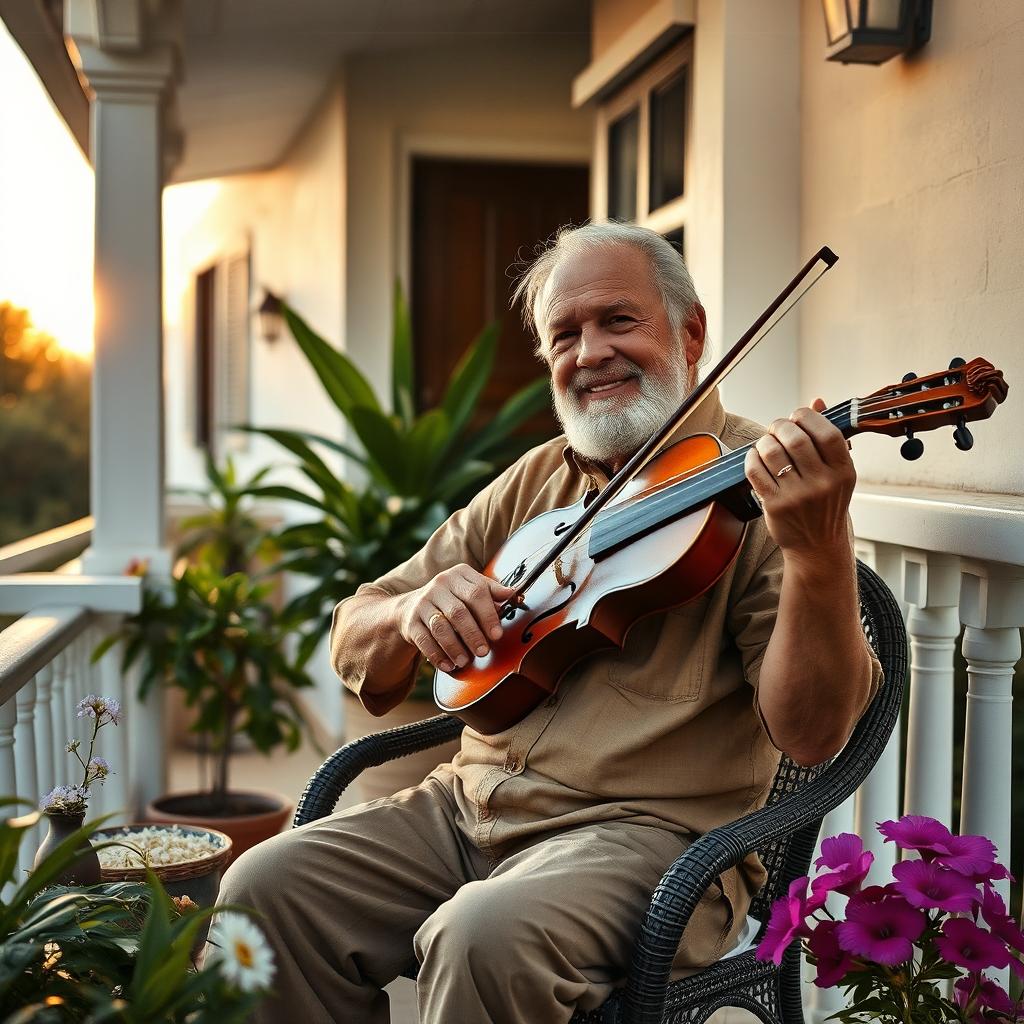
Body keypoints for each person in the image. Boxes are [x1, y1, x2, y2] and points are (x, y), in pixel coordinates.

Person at [217, 222, 882, 1024]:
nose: (590, 351)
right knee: (262, 889)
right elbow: (354, 634)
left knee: (484, 936)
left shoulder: (755, 487)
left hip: (648, 843)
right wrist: (408, 611)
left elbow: (812, 733)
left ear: (693, 331)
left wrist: (817, 552)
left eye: (618, 320)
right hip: (467, 808)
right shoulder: (537, 481)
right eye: (564, 334)